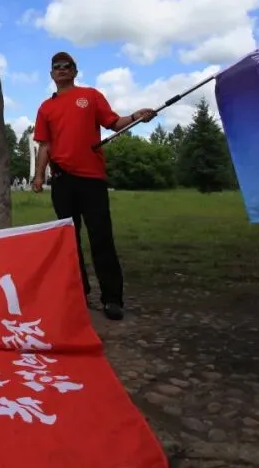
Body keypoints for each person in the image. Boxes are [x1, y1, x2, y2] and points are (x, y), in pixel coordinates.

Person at [31, 51, 156, 321]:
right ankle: (79, 293)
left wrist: (136, 115)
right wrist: (39, 176)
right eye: (57, 67)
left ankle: (112, 298)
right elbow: (44, 145)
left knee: (101, 238)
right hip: (62, 181)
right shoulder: (46, 108)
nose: (62, 70)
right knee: (68, 240)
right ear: (51, 74)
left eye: (67, 66)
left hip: (92, 180)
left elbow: (114, 123)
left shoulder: (90, 96)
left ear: (75, 71)